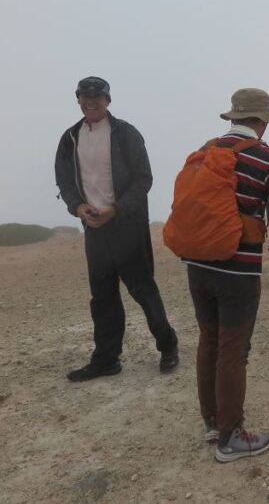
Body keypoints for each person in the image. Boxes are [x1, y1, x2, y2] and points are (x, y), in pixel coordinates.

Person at [183, 88, 269, 463]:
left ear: (233, 118)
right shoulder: (268, 157)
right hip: (237, 269)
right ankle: (231, 438)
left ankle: (213, 422)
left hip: (197, 263)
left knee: (210, 340)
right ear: (262, 122)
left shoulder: (206, 149)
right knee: (234, 349)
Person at [54, 76, 179, 382]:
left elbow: (143, 179)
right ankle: (106, 359)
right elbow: (65, 180)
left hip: (127, 226)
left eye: (97, 97)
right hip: (94, 228)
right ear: (78, 100)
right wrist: (78, 207)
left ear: (108, 100)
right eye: (85, 96)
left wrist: (117, 210)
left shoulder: (126, 133)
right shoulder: (70, 137)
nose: (91, 101)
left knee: (143, 290)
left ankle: (168, 347)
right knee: (102, 297)